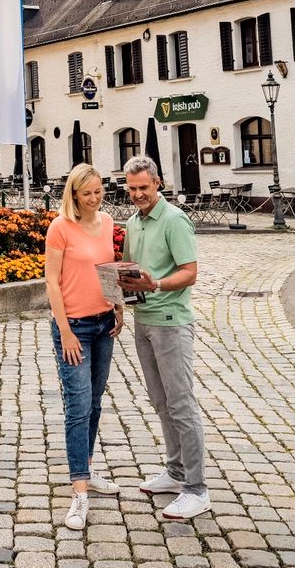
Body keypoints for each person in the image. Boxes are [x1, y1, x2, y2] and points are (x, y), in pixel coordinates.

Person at [117, 156, 208, 520]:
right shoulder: (133, 222)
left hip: (171, 323)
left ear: (158, 183)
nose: (138, 194)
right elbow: (128, 270)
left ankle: (197, 489)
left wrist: (155, 284)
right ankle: (175, 472)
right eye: (132, 188)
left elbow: (190, 273)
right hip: (144, 322)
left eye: (144, 187)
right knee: (161, 402)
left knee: (182, 405)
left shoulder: (174, 219)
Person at [44, 162, 123, 531]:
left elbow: (109, 270)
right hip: (74, 326)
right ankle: (78, 492)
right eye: (87, 193)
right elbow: (52, 283)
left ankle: (88, 470)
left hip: (104, 322)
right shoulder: (60, 227)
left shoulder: (106, 222)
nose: (94, 198)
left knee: (94, 402)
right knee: (77, 407)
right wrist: (65, 331)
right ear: (74, 195)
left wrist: (119, 307)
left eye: (98, 191)